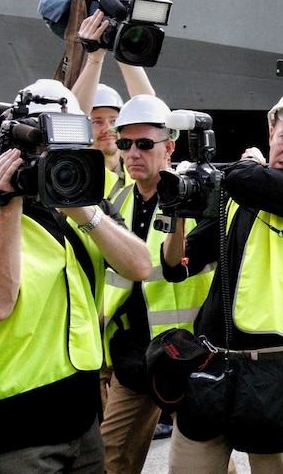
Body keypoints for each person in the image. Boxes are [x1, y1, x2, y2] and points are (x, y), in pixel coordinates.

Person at [0, 79, 152, 473]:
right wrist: (9, 204)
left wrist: (81, 209)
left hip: (82, 421)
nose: (56, 158)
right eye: (44, 146)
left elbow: (139, 265)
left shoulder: (84, 199)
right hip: (13, 425)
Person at [160, 86, 283, 474]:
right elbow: (178, 266)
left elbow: (245, 177)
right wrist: (175, 211)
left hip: (274, 371)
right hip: (213, 362)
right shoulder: (239, 194)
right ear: (271, 133)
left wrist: (242, 164)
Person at [97, 95, 215, 473]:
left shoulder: (200, 196)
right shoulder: (115, 197)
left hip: (190, 355)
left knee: (201, 463)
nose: (133, 153)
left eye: (144, 144)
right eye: (125, 144)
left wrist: (178, 214)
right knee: (110, 458)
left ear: (169, 147)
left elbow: (175, 264)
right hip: (133, 355)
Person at [71, 9, 156, 199]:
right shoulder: (72, 176)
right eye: (96, 121)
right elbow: (74, 115)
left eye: (113, 121)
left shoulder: (138, 174)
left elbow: (148, 106)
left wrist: (122, 46)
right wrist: (94, 58)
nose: (107, 129)